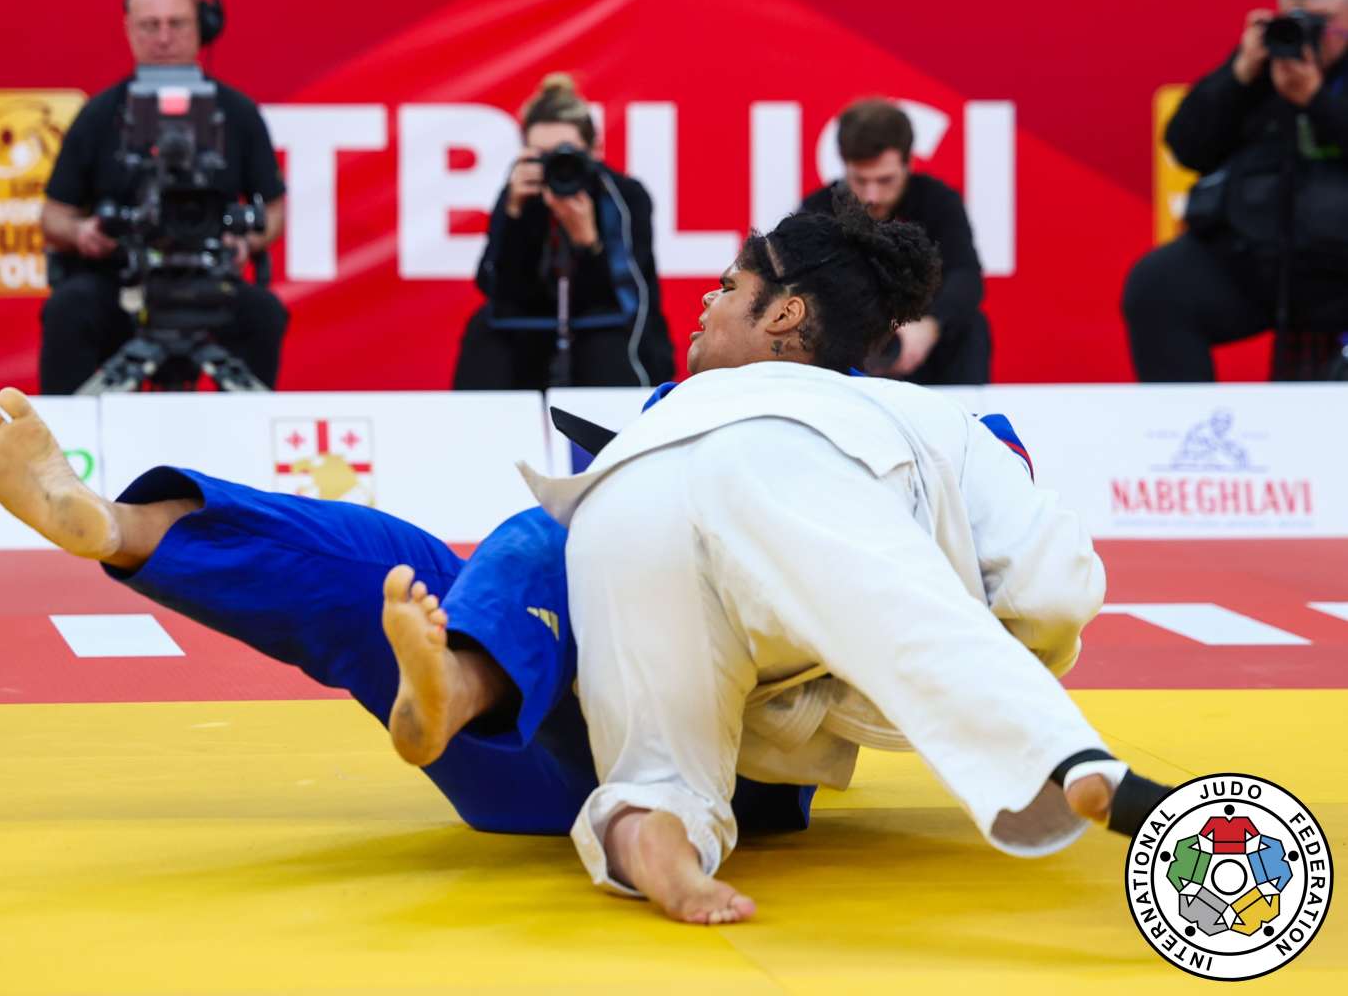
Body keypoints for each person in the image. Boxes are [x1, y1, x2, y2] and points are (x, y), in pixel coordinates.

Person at [520, 206, 1173, 924]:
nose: (707, 299)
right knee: (918, 622)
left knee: (659, 764)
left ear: (785, 312)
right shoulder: (916, 413)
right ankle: (1070, 761)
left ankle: (655, 831)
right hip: (783, 461)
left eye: (729, 286)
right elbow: (1052, 591)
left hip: (618, 488)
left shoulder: (667, 405)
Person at [39, 0, 289, 395]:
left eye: (177, 24)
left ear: (202, 28)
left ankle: (244, 433)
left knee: (263, 313)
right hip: (120, 280)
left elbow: (274, 209)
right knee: (69, 309)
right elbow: (53, 215)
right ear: (129, 30)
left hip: (209, 278)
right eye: (150, 25)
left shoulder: (238, 114)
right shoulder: (100, 115)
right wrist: (82, 232)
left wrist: (246, 241)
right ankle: (60, 433)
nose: (164, 37)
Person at [1123, 0, 1348, 382]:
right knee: (1157, 286)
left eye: (1324, 22)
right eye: (1297, 20)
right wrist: (1240, 73)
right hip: (1260, 253)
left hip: (1338, 265)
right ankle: (1185, 423)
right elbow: (1187, 146)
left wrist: (1316, 101)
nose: (1309, 33)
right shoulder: (1262, 65)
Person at [452, 74, 676, 390]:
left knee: (610, 344)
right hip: (532, 327)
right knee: (483, 331)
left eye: (566, 153)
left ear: (595, 150)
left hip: (605, 324)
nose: (555, 165)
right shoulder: (519, 192)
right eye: (541, 154)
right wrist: (514, 219)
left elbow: (634, 298)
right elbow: (495, 289)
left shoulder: (624, 196)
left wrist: (589, 244)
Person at [801, 98, 989, 384]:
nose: (871, 196)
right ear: (844, 165)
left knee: (971, 326)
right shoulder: (819, 210)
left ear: (908, 163)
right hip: (849, 352)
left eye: (885, 180)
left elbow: (965, 275)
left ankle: (963, 410)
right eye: (860, 180)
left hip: (923, 346)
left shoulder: (938, 201)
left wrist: (929, 327)